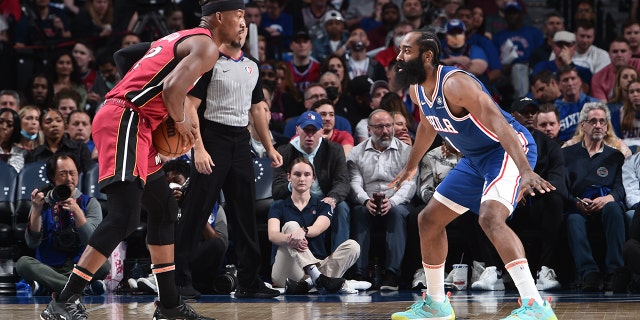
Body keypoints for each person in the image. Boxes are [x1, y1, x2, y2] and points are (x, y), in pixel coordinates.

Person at [40, 0, 243, 319]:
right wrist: (178, 121)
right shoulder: (206, 46)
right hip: (126, 120)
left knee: (164, 209)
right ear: (219, 17)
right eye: (239, 15)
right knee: (124, 215)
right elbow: (174, 89)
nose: (244, 23)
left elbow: (124, 56)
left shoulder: (179, 37)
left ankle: (170, 305)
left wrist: (139, 96)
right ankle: (65, 300)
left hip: (138, 123)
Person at [389, 31, 556, 319]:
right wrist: (411, 166)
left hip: (507, 149)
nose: (399, 57)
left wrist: (526, 171)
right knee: (428, 220)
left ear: (426, 56)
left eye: (406, 51)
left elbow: (502, 126)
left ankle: (536, 305)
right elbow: (429, 124)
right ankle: (437, 305)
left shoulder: (456, 84)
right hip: (476, 159)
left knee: (490, 218)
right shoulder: (417, 89)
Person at [175, 7, 283, 301]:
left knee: (245, 213)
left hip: (240, 141)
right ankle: (178, 280)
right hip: (211, 138)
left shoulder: (253, 66)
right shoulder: (209, 61)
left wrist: (270, 147)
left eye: (246, 25)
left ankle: (249, 280)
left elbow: (258, 109)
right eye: (239, 23)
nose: (242, 28)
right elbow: (189, 106)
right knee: (196, 211)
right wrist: (197, 148)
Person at [16, 153, 109, 297]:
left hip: (80, 267)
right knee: (22, 263)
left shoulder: (90, 203)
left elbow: (92, 243)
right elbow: (31, 243)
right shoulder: (41, 202)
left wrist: (77, 212)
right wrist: (36, 211)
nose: (69, 179)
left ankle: (52, 286)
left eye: (73, 173)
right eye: (63, 174)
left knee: (104, 264)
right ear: (52, 177)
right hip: (49, 268)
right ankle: (80, 288)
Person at [268, 157, 360, 294]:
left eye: (307, 175)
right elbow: (273, 235)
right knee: (291, 225)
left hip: (319, 264)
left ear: (313, 178)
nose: (302, 179)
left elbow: (318, 228)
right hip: (288, 270)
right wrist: (292, 238)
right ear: (289, 177)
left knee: (353, 246)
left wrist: (303, 231)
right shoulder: (278, 206)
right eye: (297, 174)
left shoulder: (323, 206)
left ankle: (310, 282)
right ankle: (317, 278)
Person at [348, 109, 415, 291]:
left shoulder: (407, 152)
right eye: (379, 127)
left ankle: (392, 274)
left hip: (397, 202)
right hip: (368, 201)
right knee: (358, 212)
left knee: (397, 213)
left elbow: (409, 184)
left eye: (388, 126)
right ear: (369, 129)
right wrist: (364, 200)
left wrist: (392, 201)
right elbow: (354, 182)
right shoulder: (356, 153)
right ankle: (359, 274)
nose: (385, 131)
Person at [563, 102, 626, 292]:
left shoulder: (615, 156)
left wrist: (608, 199)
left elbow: (621, 188)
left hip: (605, 204)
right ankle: (589, 273)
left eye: (602, 121)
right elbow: (561, 188)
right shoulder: (566, 154)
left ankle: (615, 272)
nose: (598, 125)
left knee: (614, 209)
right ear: (583, 125)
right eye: (593, 121)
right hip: (578, 206)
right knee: (573, 219)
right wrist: (576, 202)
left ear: (606, 126)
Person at [273, 110, 350, 252]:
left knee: (341, 207)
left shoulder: (334, 150)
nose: (310, 135)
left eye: (314, 130)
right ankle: (279, 264)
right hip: (297, 200)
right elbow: (277, 189)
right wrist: (296, 186)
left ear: (321, 131)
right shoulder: (284, 151)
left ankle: (339, 263)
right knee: (278, 205)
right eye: (305, 130)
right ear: (297, 129)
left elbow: (342, 181)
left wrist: (333, 198)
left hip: (324, 200)